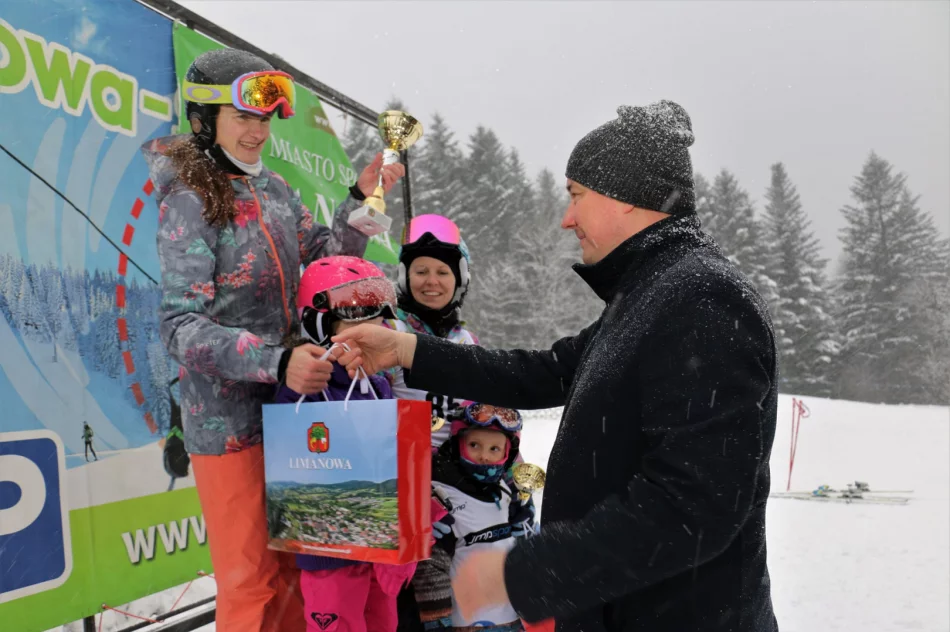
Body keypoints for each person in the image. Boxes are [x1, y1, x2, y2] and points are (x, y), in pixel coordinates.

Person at [332, 101, 779, 631]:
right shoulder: (652, 293)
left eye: (576, 195)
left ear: (626, 197)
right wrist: (406, 349)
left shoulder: (701, 302)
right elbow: (544, 372)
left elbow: (692, 507)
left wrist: (525, 574)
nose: (567, 218)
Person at [146, 48, 405, 632]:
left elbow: (327, 259)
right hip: (227, 424)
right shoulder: (188, 200)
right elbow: (179, 326)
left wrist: (359, 197)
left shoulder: (277, 191)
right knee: (250, 582)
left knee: (296, 571)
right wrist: (277, 361)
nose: (258, 132)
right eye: (244, 118)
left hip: (293, 411)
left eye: (264, 119)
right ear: (204, 120)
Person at [274, 256, 415, 632]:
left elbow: (390, 457)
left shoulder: (378, 384)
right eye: (355, 322)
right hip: (329, 554)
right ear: (320, 324)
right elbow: (290, 445)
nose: (370, 333)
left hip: (378, 544)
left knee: (383, 622)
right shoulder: (306, 388)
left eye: (377, 321)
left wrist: (406, 531)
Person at [422, 402, 534, 632]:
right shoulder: (443, 496)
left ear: (508, 453)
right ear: (458, 444)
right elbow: (432, 566)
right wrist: (437, 620)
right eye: (474, 445)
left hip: (511, 618)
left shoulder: (507, 493)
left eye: (494, 449)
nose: (484, 456)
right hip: (466, 623)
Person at [387, 214, 479, 446]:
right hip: (403, 463)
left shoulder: (467, 341)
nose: (431, 281)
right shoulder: (390, 333)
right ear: (404, 278)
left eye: (442, 272)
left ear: (460, 279)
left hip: (460, 466)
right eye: (421, 272)